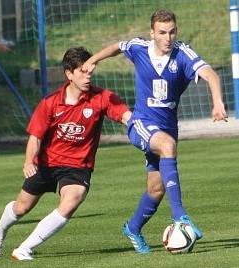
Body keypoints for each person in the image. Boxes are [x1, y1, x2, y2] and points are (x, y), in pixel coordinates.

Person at [82, 9, 228, 253]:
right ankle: (180, 217)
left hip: (168, 126)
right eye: (162, 32)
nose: (168, 37)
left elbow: (211, 74)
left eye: (171, 32)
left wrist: (218, 102)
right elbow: (117, 46)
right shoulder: (139, 48)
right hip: (142, 123)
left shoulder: (183, 53)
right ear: (152, 33)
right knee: (167, 145)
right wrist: (94, 60)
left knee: (157, 188)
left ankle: (133, 227)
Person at [0, 47, 132, 260]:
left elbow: (127, 116)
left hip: (77, 166)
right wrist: (28, 162)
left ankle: (24, 249)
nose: (88, 75)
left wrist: (138, 124)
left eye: (90, 70)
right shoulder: (50, 103)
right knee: (21, 208)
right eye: (82, 71)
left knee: (73, 199)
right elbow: (35, 137)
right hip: (46, 164)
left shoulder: (102, 97)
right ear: (69, 74)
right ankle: (0, 231)